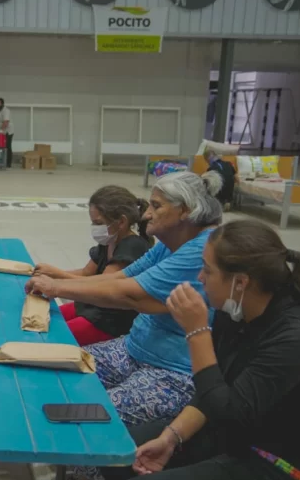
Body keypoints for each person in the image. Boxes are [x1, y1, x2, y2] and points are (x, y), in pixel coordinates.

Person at [101, 220, 300, 480]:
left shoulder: (293, 336)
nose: (199, 278)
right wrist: (172, 437)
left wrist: (197, 332)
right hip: (230, 435)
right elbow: (211, 389)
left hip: (274, 459)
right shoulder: (233, 311)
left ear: (240, 282)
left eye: (207, 271)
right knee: (115, 452)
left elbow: (231, 417)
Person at [26, 171, 223, 426]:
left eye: (156, 206)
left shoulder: (199, 251)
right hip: (133, 349)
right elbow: (120, 278)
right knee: (55, 379)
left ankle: (83, 465)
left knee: (85, 419)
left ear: (184, 210)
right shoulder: (172, 241)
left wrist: (56, 287)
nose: (146, 214)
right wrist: (57, 283)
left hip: (170, 371)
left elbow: (130, 294)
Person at [34, 186, 151, 346]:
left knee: (51, 337)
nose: (95, 228)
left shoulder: (132, 246)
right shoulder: (108, 240)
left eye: (98, 223)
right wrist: (50, 275)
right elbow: (85, 273)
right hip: (90, 306)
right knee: (39, 319)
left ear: (121, 222)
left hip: (109, 320)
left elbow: (103, 285)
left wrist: (56, 282)